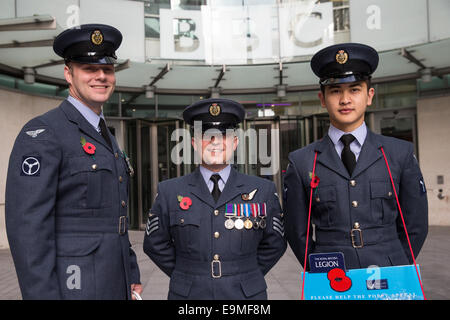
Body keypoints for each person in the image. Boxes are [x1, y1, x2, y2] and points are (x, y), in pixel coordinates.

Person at [5, 24, 141, 299]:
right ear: (69, 73)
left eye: (107, 69)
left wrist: (131, 272)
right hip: (74, 287)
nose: (101, 76)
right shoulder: (44, 134)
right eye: (89, 69)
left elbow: (113, 218)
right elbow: (28, 230)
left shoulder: (105, 136)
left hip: (114, 282)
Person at [284, 43, 428, 271]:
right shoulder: (301, 161)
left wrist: (398, 264)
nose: (345, 100)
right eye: (335, 91)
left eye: (354, 89)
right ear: (322, 99)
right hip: (331, 276)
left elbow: (416, 224)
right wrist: (317, 269)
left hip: (389, 273)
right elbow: (296, 231)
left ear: (369, 95)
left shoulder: (399, 154)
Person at [143, 98, 287, 299]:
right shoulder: (169, 191)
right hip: (189, 295)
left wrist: (245, 273)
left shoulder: (263, 190)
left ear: (235, 142)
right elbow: (154, 244)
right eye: (206, 135)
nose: (215, 142)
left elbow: (276, 244)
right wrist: (188, 273)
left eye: (224, 135)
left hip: (245, 296)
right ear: (194, 143)